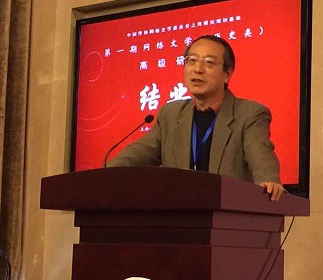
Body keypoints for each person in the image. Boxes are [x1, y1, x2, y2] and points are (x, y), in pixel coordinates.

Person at [108, 34, 284, 201]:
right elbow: (138, 154)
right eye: (191, 60)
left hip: (228, 214)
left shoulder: (249, 113)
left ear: (227, 74)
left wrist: (268, 180)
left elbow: (260, 153)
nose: (197, 69)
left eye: (209, 63)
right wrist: (103, 175)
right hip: (180, 214)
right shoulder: (170, 114)